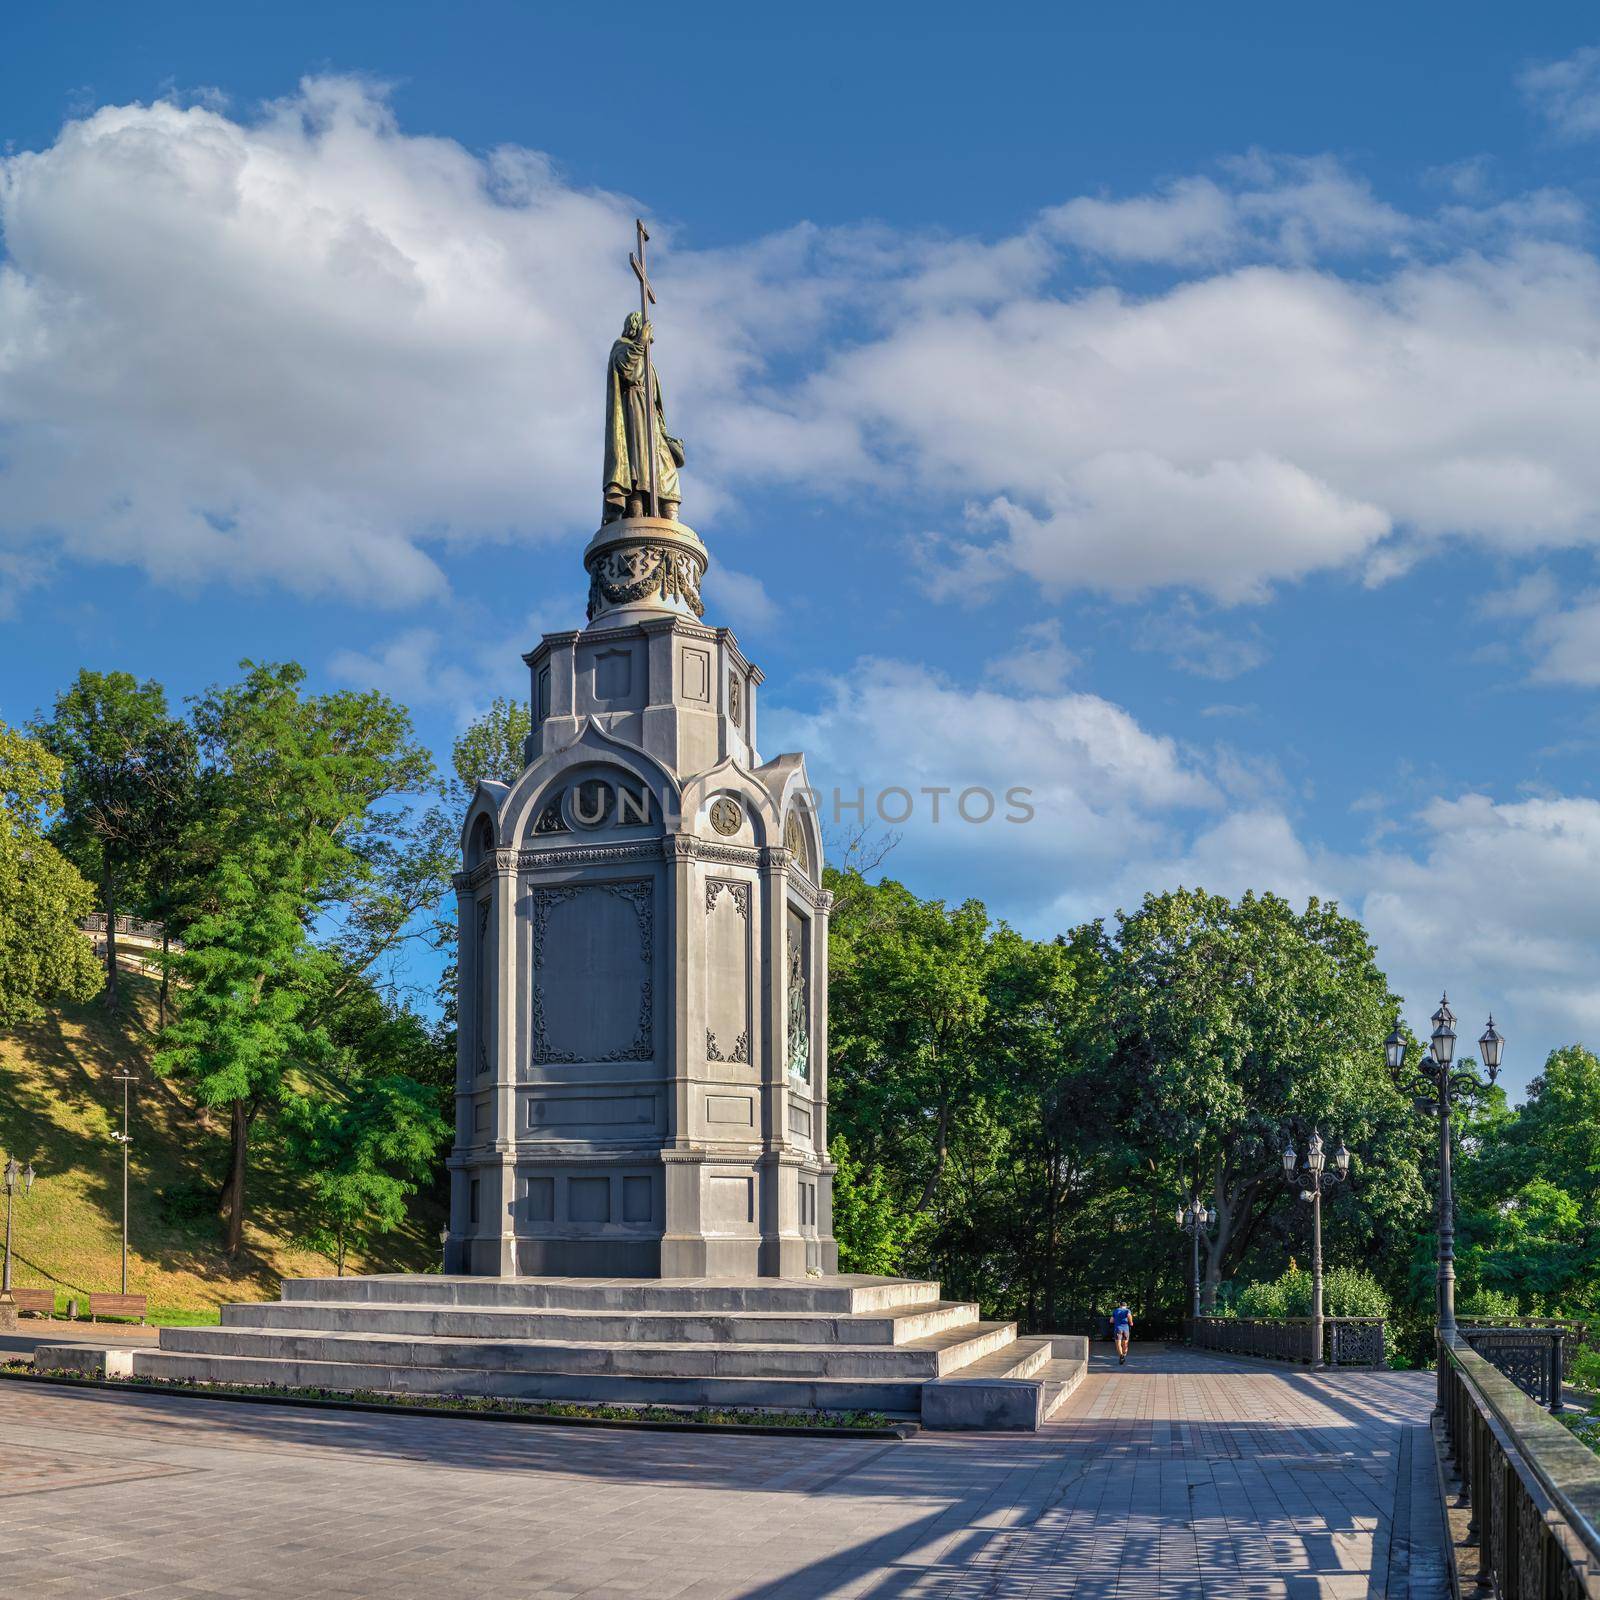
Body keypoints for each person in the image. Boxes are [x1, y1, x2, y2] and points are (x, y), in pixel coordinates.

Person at [1111, 1299, 1133, 1365]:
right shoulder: (1127, 1310)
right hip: (1126, 1329)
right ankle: (1124, 1355)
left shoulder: (1115, 1311)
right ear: (1126, 1306)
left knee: (1118, 1343)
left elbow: (1111, 1321)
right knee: (1125, 1344)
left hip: (1118, 1328)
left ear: (1120, 1305)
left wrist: (1117, 1321)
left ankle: (1121, 1356)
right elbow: (1129, 1316)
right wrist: (1131, 1322)